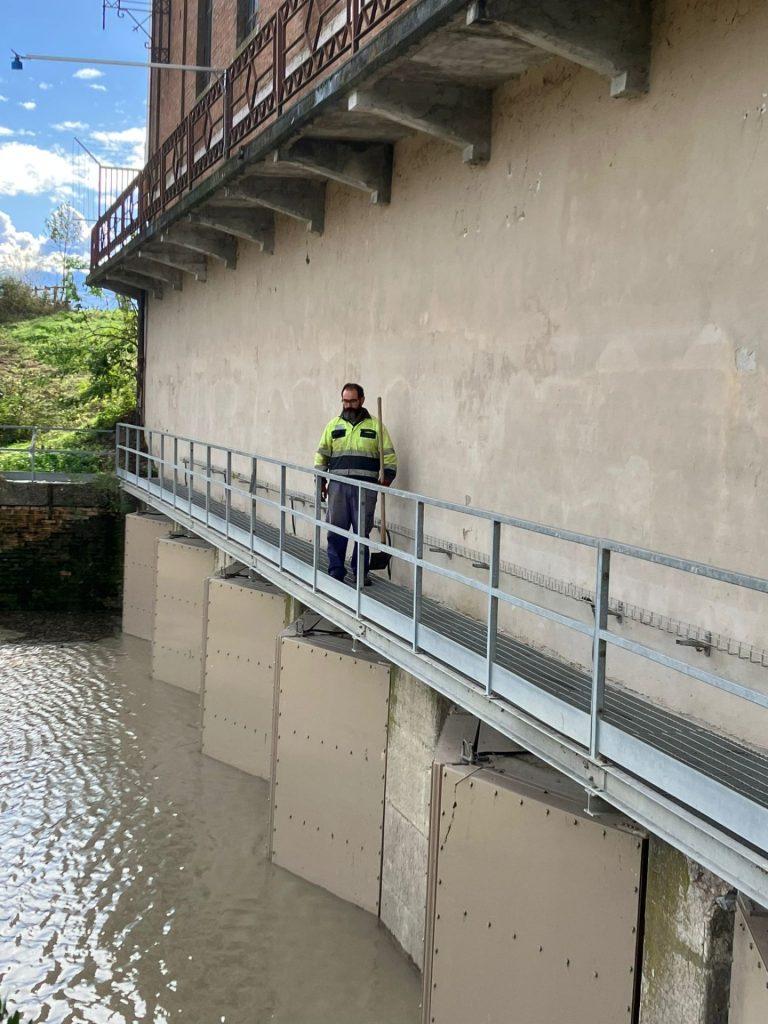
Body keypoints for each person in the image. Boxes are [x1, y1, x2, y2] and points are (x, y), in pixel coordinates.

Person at [314, 383, 397, 583]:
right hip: (337, 487)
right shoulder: (333, 425)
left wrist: (386, 479)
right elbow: (321, 455)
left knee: (362, 532)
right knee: (336, 530)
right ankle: (336, 571)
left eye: (352, 401)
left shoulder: (376, 427)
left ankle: (360, 574)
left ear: (361, 400)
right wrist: (320, 482)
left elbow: (389, 457)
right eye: (345, 401)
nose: (348, 405)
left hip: (365, 488)